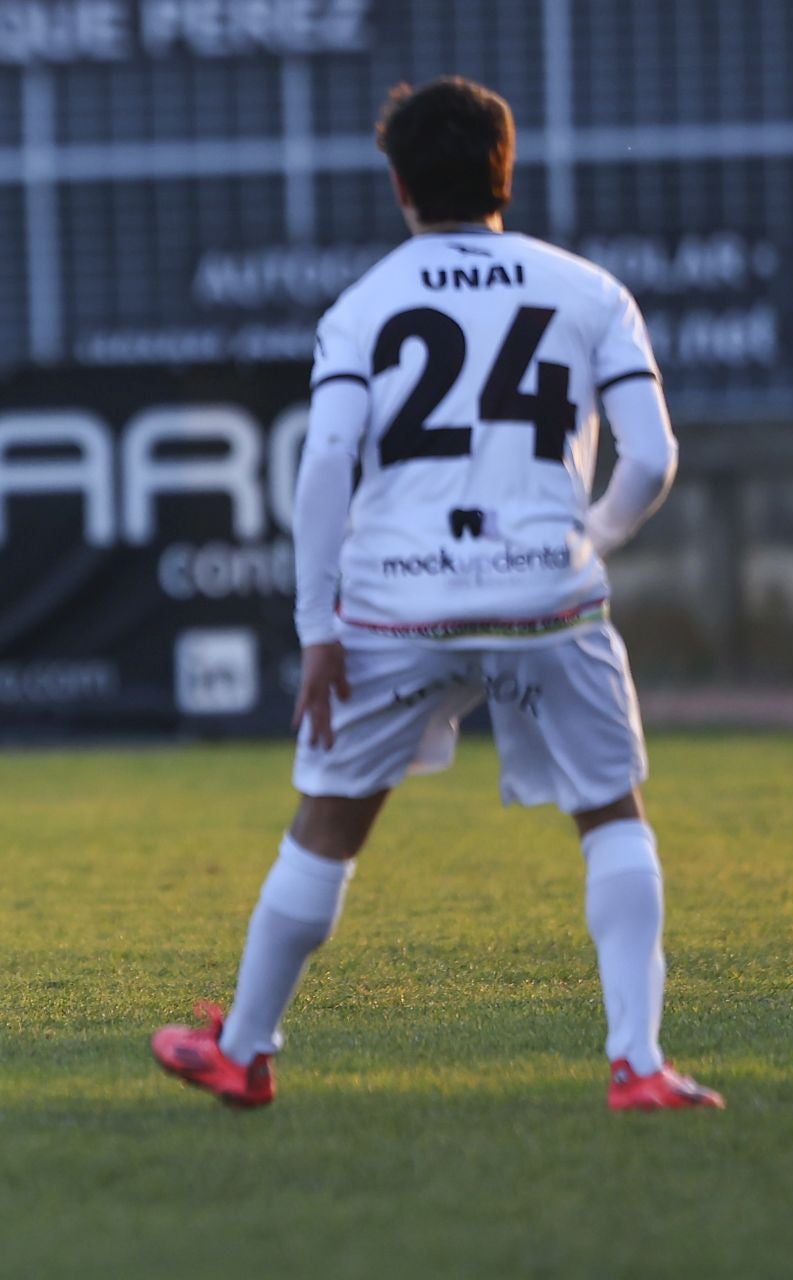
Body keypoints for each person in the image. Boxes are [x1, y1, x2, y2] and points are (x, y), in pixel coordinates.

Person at [150, 78, 722, 1111]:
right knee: (611, 813)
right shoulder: (588, 291)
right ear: (507, 170)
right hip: (549, 598)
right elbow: (653, 458)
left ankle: (242, 1047)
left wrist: (318, 629)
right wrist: (583, 539)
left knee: (330, 818)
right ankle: (637, 1061)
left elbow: (325, 468)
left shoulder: (364, 304)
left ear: (400, 181)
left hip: (394, 603)